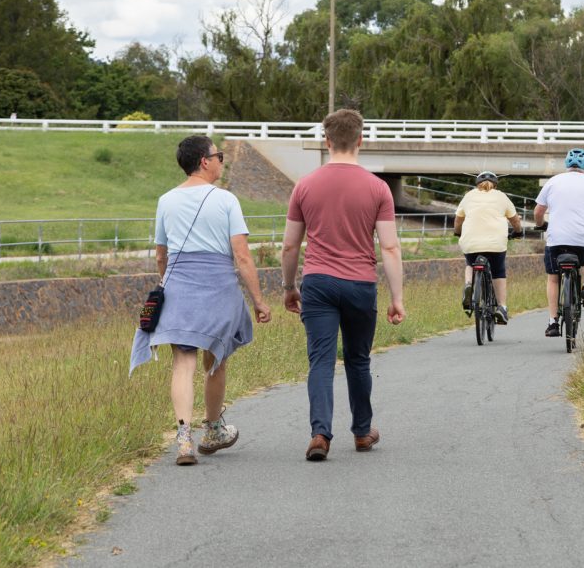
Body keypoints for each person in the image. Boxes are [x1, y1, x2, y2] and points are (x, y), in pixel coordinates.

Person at [130, 135, 273, 466]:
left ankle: (183, 440)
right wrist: (259, 300)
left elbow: (161, 255)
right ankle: (213, 429)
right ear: (204, 161)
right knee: (216, 359)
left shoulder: (166, 200)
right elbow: (242, 256)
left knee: (183, 363)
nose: (222, 161)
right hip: (219, 287)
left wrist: (167, 283)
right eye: (218, 155)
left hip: (179, 286)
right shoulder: (226, 201)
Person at [281, 108, 406, 462]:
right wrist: (397, 297)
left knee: (320, 360)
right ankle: (363, 432)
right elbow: (390, 247)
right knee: (358, 359)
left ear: (327, 140)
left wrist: (290, 286)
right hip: (360, 282)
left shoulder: (305, 185)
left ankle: (320, 433)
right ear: (360, 140)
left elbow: (290, 245)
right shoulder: (377, 188)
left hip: (318, 282)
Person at [533, 148, 584, 338]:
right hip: (583, 242)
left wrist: (541, 225)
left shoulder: (553, 181)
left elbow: (538, 212)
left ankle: (553, 322)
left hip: (556, 242)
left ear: (566, 164)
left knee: (553, 277)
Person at [454, 171, 523, 324]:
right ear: (495, 184)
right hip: (495, 243)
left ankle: (468, 285)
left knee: (470, 263)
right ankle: (502, 308)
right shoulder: (501, 196)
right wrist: (518, 232)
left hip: (471, 241)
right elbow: (515, 220)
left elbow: (458, 220)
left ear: (477, 184)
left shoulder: (468, 196)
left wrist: (457, 232)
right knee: (498, 271)